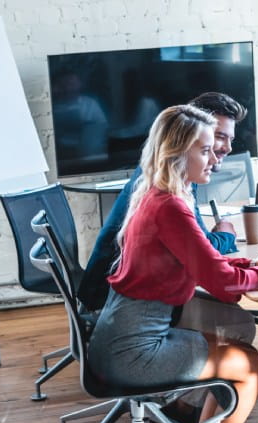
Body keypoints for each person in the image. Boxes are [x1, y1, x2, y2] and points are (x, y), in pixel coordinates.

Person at [86, 104, 258, 423]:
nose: (216, 158)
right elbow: (224, 287)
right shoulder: (170, 205)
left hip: (124, 335)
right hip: (136, 349)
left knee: (242, 357)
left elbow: (207, 260)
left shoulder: (158, 194)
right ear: (177, 153)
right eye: (205, 150)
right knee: (252, 368)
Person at [78, 92, 247, 313]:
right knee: (232, 319)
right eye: (219, 136)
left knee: (231, 316)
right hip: (115, 302)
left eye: (230, 139)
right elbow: (205, 252)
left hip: (121, 298)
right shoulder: (167, 188)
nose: (227, 148)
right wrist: (227, 235)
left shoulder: (167, 173)